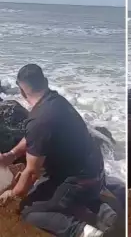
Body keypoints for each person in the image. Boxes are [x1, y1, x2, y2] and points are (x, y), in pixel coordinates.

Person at [0, 64, 118, 237]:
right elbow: (35, 138)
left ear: (22, 92)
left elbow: (31, 172)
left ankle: (82, 231)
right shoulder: (56, 101)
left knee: (29, 210)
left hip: (79, 182)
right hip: (97, 175)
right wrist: (11, 155)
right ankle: (104, 213)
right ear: (46, 82)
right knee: (45, 190)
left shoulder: (39, 120)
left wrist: (12, 193)